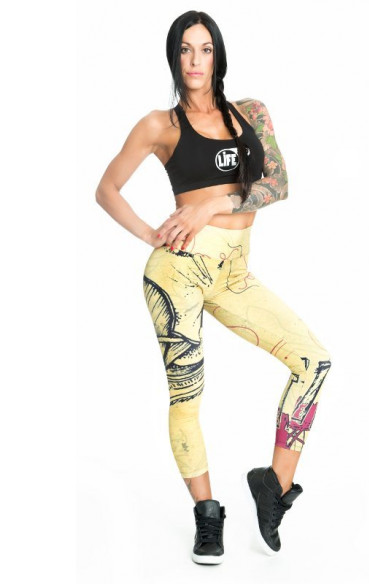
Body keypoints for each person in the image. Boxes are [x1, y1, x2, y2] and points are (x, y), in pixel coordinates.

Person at [95, 10, 332, 564]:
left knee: (314, 361)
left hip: (234, 274)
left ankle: (273, 487)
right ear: (173, 57)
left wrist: (211, 204)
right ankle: (206, 514)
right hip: (178, 271)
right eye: (185, 49)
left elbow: (279, 184)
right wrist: (152, 234)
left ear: (218, 56)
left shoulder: (251, 113)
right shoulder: (161, 125)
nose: (195, 60)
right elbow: (106, 189)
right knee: (188, 395)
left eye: (205, 49)